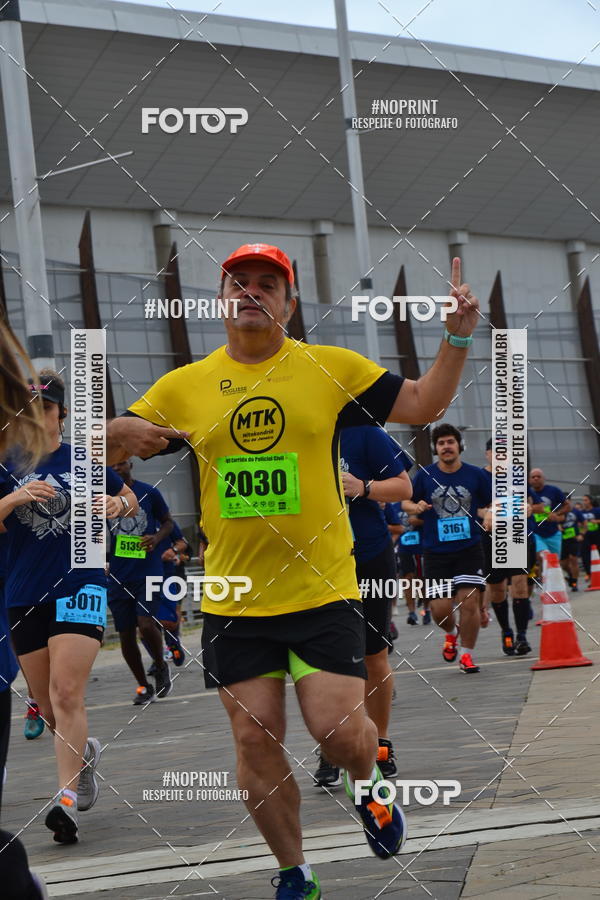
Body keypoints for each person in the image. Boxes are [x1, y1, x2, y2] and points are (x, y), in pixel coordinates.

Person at [105, 243, 480, 899]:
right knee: (253, 737)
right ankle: (295, 873)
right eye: (239, 283)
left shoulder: (328, 369)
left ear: (290, 301)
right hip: (235, 597)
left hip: (323, 588)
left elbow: (423, 404)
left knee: (338, 732)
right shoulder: (184, 385)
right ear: (221, 300)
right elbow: (105, 445)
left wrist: (455, 335)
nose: (252, 292)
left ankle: (372, 783)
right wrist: (112, 432)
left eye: (267, 284)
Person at [0, 370, 137, 845]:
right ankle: (85, 758)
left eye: (47, 407)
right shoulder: (7, 462)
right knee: (52, 708)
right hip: (22, 593)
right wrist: (15, 496)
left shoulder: (84, 459)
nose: (39, 416)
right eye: (29, 408)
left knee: (65, 693)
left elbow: (128, 499)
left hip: (82, 584)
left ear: (61, 412)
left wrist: (116, 509)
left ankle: (64, 801)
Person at [312, 425, 412, 788]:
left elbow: (403, 487)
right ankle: (333, 747)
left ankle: (380, 743)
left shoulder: (364, 430)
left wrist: (364, 488)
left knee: (373, 654)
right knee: (326, 659)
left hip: (368, 556)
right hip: (317, 560)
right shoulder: (295, 428)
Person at [402, 423, 492, 674]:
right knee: (440, 608)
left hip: (469, 548)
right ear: (435, 449)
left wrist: (490, 515)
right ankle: (451, 633)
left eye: (450, 442)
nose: (446, 447)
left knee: (469, 601)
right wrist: (416, 507)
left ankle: (467, 655)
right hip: (436, 551)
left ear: (459, 446)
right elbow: (405, 501)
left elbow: (491, 503)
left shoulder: (476, 475)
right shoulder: (425, 475)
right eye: (441, 443)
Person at [108, 459, 174, 703]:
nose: (116, 467)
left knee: (146, 624)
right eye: (112, 465)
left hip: (148, 570)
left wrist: (156, 539)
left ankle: (160, 664)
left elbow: (169, 522)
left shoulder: (149, 491)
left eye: (121, 463)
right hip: (118, 573)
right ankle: (143, 686)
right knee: (125, 634)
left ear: (130, 465)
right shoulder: (103, 496)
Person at [481, 439, 536, 657]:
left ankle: (522, 635)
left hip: (517, 535)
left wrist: (529, 508)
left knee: (520, 585)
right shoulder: (480, 477)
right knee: (497, 589)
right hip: (492, 539)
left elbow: (527, 502)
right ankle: (506, 631)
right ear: (487, 454)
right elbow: (475, 508)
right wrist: (488, 514)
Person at [528, 469, 568, 562]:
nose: (536, 478)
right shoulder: (526, 493)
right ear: (529, 480)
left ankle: (547, 576)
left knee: (554, 562)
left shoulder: (554, 490)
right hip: (535, 532)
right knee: (542, 556)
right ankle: (542, 576)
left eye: (538, 476)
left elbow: (567, 506)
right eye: (533, 477)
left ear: (544, 478)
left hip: (553, 532)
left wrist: (556, 514)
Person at [560, 504, 584, 590]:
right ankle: (571, 576)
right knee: (563, 564)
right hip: (562, 540)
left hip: (574, 539)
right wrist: (558, 527)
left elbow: (584, 523)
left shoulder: (576, 512)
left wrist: (581, 534)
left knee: (573, 559)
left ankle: (574, 582)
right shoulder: (558, 511)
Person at [580, 495, 600, 580]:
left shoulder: (597, 510)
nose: (584, 502)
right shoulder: (581, 512)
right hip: (585, 536)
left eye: (586, 500)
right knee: (585, 555)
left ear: (591, 501)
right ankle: (589, 573)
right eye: (583, 500)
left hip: (596, 535)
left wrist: (596, 521)